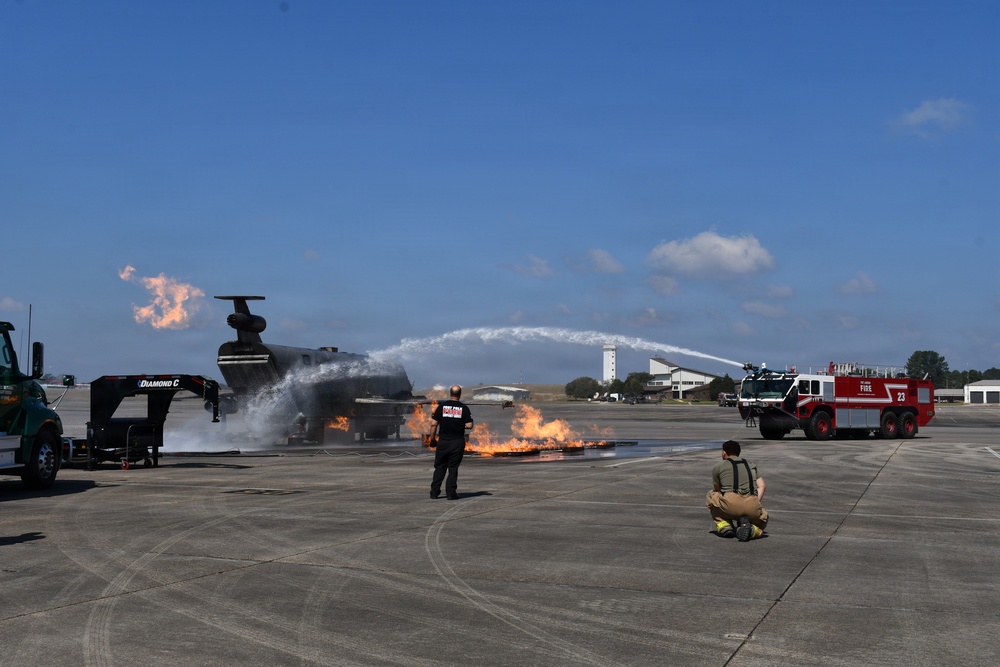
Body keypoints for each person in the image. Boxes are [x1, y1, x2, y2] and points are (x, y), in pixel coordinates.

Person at [705, 440, 768, 541]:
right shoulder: (751, 465)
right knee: (763, 516)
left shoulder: (719, 466)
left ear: (724, 452)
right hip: (752, 504)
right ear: (738, 452)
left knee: (711, 495)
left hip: (730, 504)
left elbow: (718, 490)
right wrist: (755, 501)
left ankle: (725, 526)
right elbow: (762, 486)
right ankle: (752, 530)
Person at [429, 385, 474, 500]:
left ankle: (434, 492)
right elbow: (469, 425)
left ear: (450, 393)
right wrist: (459, 424)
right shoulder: (464, 408)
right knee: (453, 468)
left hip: (443, 442)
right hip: (457, 443)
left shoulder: (442, 407)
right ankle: (451, 493)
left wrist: (432, 439)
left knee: (440, 467)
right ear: (460, 394)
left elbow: (434, 424)